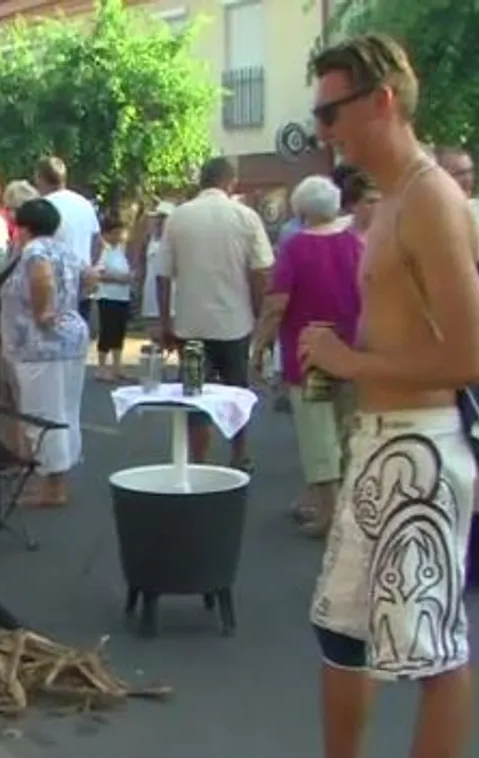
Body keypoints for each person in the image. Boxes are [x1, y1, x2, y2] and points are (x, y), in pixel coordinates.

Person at [302, 34, 478, 758]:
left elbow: (468, 356)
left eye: (330, 112)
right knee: (343, 635)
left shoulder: (431, 198)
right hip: (383, 444)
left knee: (431, 652)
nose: (323, 131)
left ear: (380, 101)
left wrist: (348, 362)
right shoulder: (395, 200)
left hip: (420, 449)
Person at [251, 175, 363, 537]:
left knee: (318, 436)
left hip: (309, 355)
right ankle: (351, 511)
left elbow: (276, 305)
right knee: (349, 432)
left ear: (300, 210)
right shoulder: (355, 244)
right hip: (351, 351)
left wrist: (260, 346)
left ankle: (328, 512)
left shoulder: (296, 247)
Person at [155, 157, 274, 468]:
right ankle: (239, 453)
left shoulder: (178, 217)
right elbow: (261, 272)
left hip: (191, 322)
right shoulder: (246, 216)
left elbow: (163, 275)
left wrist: (165, 322)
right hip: (235, 320)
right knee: (237, 391)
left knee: (194, 393)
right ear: (230, 182)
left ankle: (199, 459)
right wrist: (260, 315)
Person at [1, 199, 93, 507]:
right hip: (69, 339)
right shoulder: (65, 250)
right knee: (66, 410)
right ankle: (57, 480)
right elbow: (90, 277)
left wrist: (43, 311)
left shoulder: (34, 251)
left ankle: (53, 487)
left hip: (40, 345)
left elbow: (42, 277)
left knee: (43, 414)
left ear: (24, 227)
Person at [33, 156, 101, 321]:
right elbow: (97, 242)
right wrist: (89, 267)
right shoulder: (84, 204)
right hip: (82, 282)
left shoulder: (42, 206)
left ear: (39, 178)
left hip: (52, 285)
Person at [93, 215, 132, 382]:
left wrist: (129, 277)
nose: (118, 236)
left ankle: (117, 366)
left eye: (120, 233)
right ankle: (101, 368)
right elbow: (99, 273)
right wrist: (118, 278)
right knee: (107, 331)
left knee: (119, 331)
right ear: (106, 234)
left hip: (122, 296)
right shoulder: (103, 250)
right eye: (114, 233)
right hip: (107, 296)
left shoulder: (121, 251)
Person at [138, 201, 174, 321]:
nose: (159, 221)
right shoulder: (149, 239)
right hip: (150, 291)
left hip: (170, 294)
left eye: (163, 217)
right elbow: (142, 263)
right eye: (158, 217)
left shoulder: (174, 240)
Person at [341, 171, 381, 238]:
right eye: (370, 202)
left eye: (379, 201)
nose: (377, 206)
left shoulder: (390, 236)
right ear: (353, 205)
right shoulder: (339, 238)